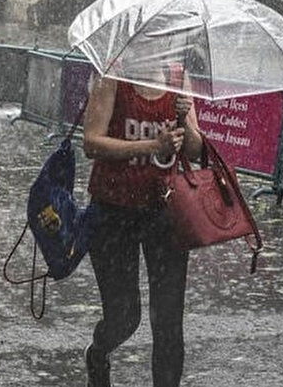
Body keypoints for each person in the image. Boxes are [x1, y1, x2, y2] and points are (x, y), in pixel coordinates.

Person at [81, 66, 203, 387]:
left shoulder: (179, 79)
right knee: (124, 318)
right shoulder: (113, 76)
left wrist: (185, 121)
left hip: (164, 213)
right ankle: (98, 352)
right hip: (112, 213)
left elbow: (195, 149)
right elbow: (91, 142)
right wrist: (151, 146)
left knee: (168, 321)